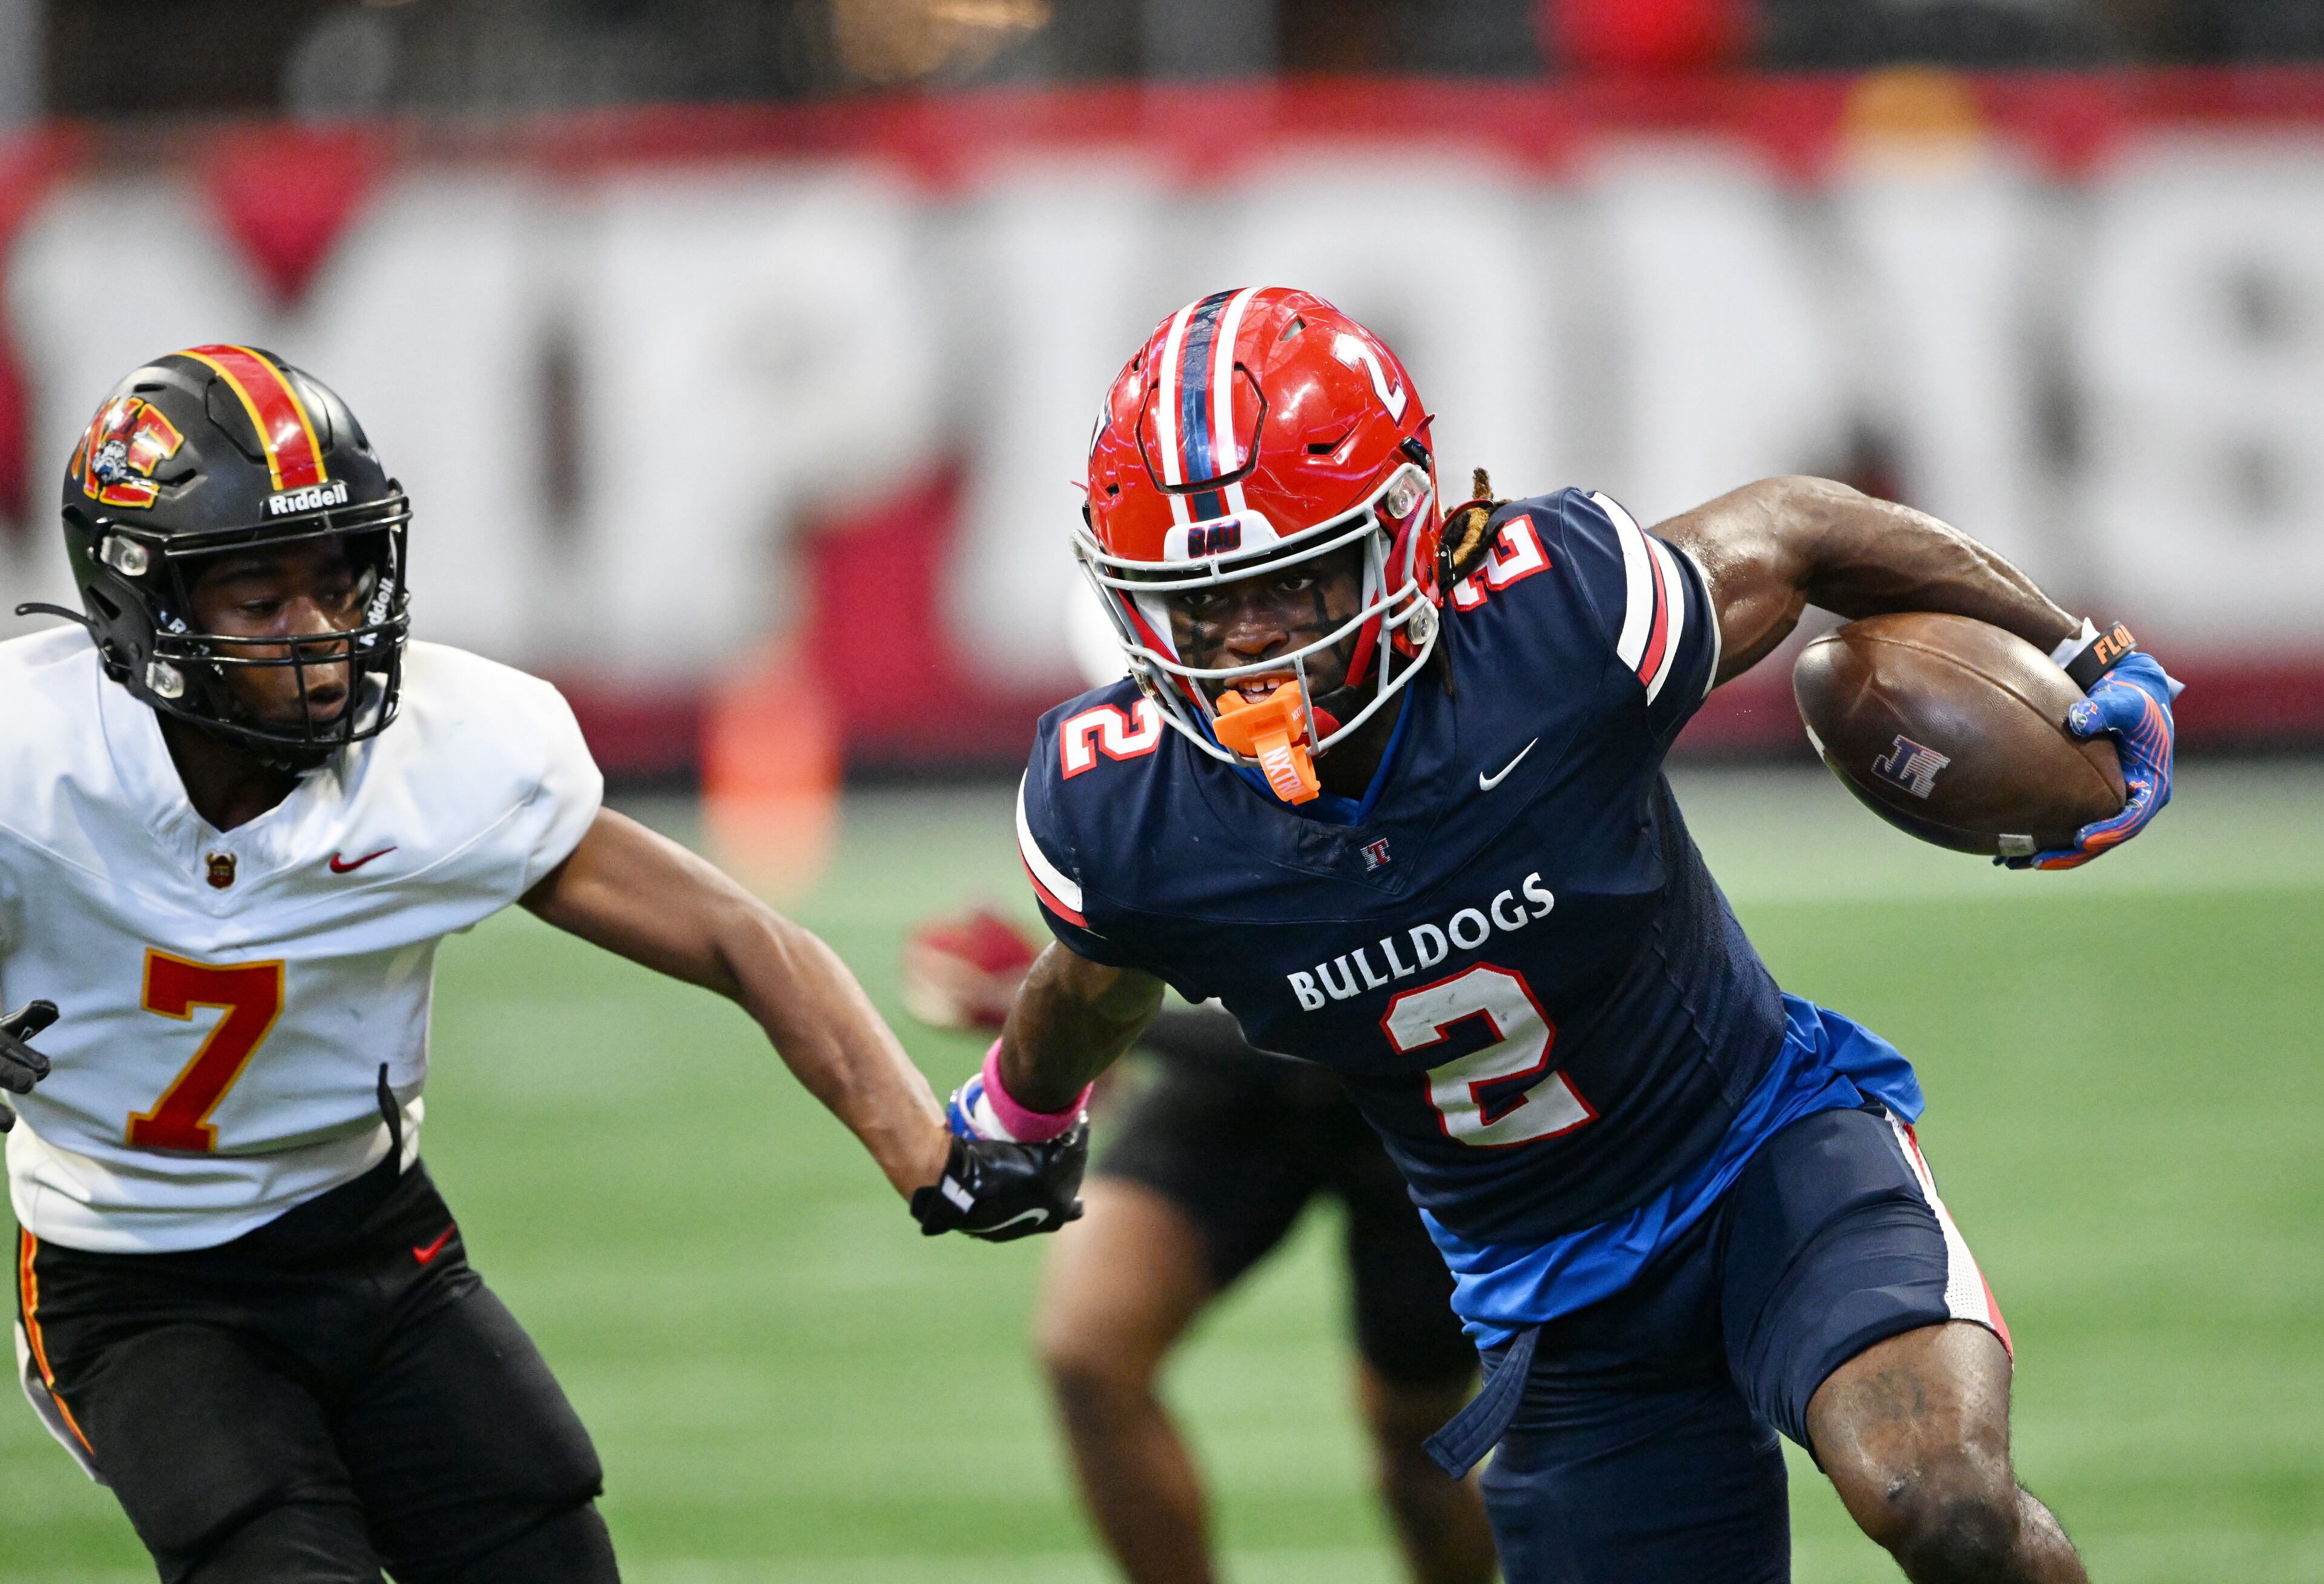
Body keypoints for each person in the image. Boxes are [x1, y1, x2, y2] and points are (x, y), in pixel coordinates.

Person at [940, 287, 2178, 1583]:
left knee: (1948, 1507)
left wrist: (2078, 653)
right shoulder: (1122, 810)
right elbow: (1091, 984)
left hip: (1767, 1156)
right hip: (1556, 1304)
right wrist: (1020, 1121)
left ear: (1405, 536)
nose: (1251, 646)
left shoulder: (1552, 626)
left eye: (1297, 585)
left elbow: (1806, 528)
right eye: (1204, 605)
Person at [2, 346, 1081, 1584]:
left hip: (370, 1239)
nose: (322, 634)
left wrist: (933, 1156)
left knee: (547, 1551)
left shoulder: (448, 754)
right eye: (262, 600)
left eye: (338, 582)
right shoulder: (33, 760)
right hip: (134, 1283)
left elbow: (746, 936)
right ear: (144, 607)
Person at [904, 911, 1497, 1584]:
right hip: (1235, 1088)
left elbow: (1339, 1016)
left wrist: (1066, 1007)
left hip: (1411, 1100)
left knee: (1421, 1449)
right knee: (1088, 1352)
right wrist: (1080, 990)